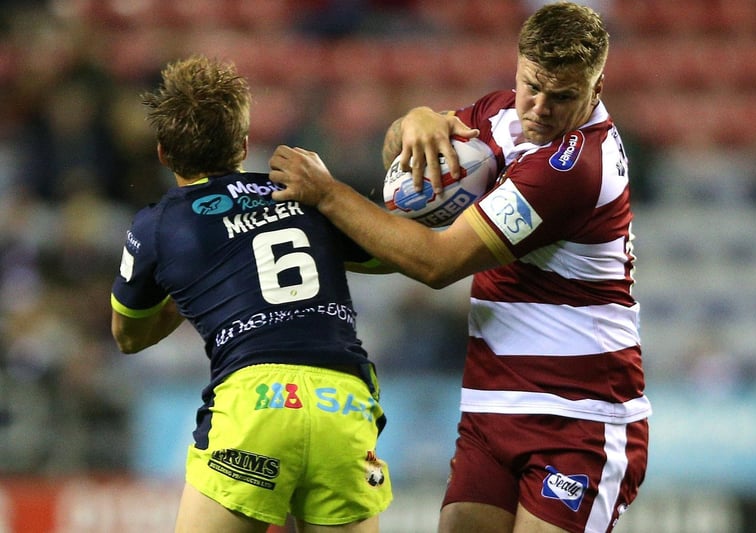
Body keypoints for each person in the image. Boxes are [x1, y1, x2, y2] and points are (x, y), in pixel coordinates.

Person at [268, 3, 650, 532]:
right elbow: (398, 157)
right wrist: (414, 120)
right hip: (491, 406)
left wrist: (327, 194)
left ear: (596, 88)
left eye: (562, 97)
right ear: (516, 66)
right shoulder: (499, 116)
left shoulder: (575, 167)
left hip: (580, 419)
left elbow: (436, 262)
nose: (539, 108)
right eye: (530, 86)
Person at [110, 55, 392, 533]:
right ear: (243, 145)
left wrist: (193, 285)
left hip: (255, 402)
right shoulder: (304, 193)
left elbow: (128, 336)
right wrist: (331, 197)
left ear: (162, 152)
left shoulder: (157, 225)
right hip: (343, 400)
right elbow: (391, 254)